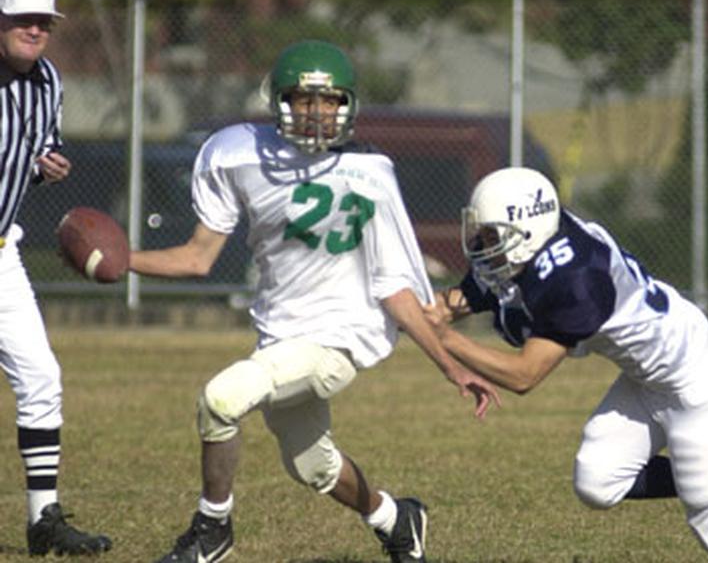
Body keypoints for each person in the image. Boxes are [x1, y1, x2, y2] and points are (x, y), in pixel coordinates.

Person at [129, 39, 499, 563]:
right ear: (279, 101)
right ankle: (397, 520)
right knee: (313, 466)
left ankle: (212, 529)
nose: (319, 113)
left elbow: (395, 286)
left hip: (340, 339)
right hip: (281, 335)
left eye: (330, 101)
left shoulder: (370, 174)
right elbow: (196, 258)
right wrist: (124, 259)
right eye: (305, 100)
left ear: (347, 105)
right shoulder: (238, 153)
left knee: (221, 399)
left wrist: (449, 364)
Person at [424, 166, 708, 562]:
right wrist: (442, 306)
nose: (484, 246)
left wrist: (445, 336)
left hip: (700, 384)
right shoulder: (551, 236)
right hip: (647, 380)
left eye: (491, 237)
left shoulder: (576, 280)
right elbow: (494, 282)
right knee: (596, 483)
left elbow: (525, 375)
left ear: (527, 230)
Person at [0, 0, 113, 556]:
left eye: (43, 21)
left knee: (41, 378)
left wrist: (49, 167)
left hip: (1, 250)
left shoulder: (46, 81)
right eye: (22, 18)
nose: (35, 29)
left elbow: (37, 155)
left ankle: (43, 519)